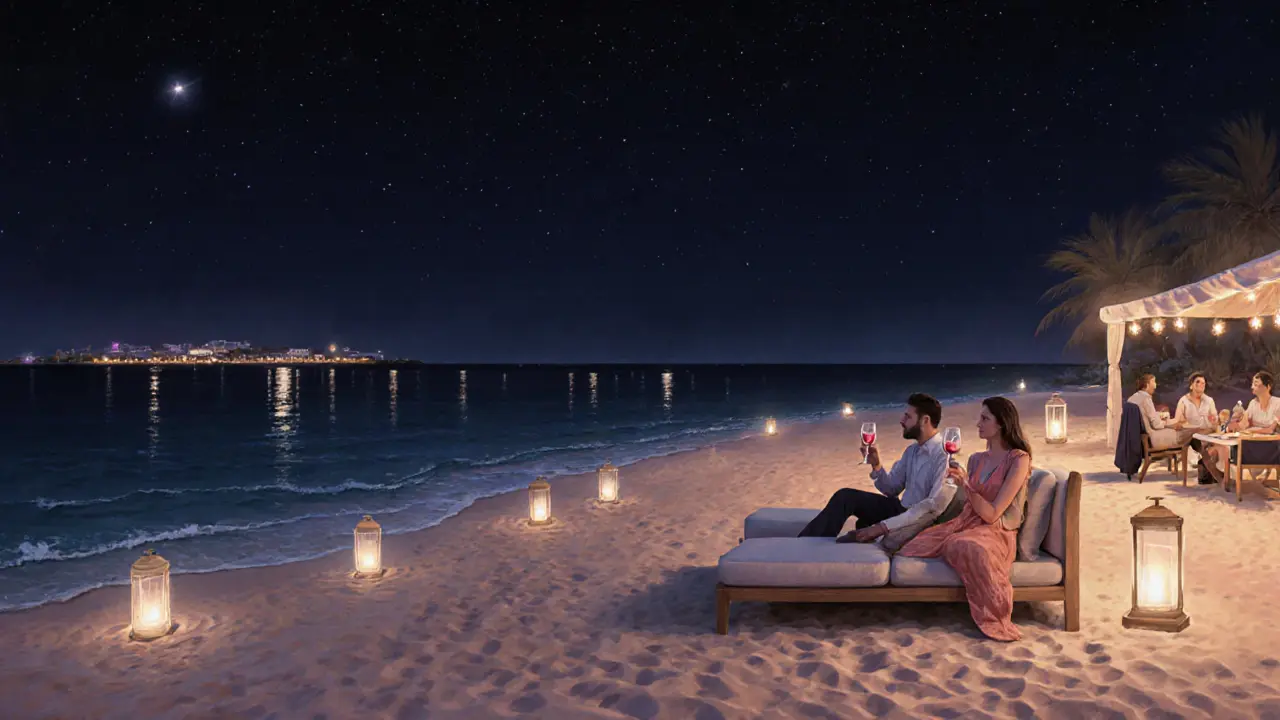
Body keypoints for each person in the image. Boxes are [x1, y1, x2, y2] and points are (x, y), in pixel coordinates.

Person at [897, 397, 1032, 642]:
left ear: (1001, 424)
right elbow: (970, 505)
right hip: (967, 522)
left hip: (996, 531)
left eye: (985, 418)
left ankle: (995, 614)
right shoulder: (976, 459)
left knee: (965, 545)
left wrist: (966, 485)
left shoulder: (1018, 459)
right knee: (912, 546)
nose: (977, 423)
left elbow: (992, 514)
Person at [797, 393, 953, 544]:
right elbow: (892, 490)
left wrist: (882, 527)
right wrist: (876, 465)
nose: (901, 420)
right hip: (899, 508)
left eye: (908, 416)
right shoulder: (912, 451)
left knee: (863, 524)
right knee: (845, 497)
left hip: (914, 519)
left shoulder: (943, 455)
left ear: (925, 420)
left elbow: (933, 507)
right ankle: (809, 543)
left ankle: (809, 546)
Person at [1203, 371, 1280, 484]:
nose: (1252, 386)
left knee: (1224, 448)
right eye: (1252, 383)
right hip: (1250, 441)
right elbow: (1243, 424)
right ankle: (1225, 479)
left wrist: (1249, 430)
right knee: (1218, 447)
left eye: (1256, 383)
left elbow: (1270, 429)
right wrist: (1232, 424)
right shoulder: (1253, 403)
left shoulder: (1278, 403)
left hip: (1269, 446)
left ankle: (1227, 480)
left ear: (1267, 386)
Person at [1173, 372, 1218, 484]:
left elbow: (1215, 419)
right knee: (1203, 444)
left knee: (1218, 446)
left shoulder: (1209, 400)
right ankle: (1219, 477)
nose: (1201, 384)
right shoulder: (1183, 401)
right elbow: (1178, 421)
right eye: (1198, 382)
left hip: (1208, 432)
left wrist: (1214, 419)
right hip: (1191, 434)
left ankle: (1215, 474)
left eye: (1203, 383)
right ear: (1191, 385)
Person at [1127, 373, 1180, 450]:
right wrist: (1168, 424)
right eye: (1153, 382)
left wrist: (1160, 415)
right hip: (1151, 437)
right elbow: (1156, 425)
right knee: (1181, 435)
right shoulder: (1146, 398)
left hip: (1137, 437)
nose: (1155, 385)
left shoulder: (1132, 398)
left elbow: (1145, 415)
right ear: (1147, 385)